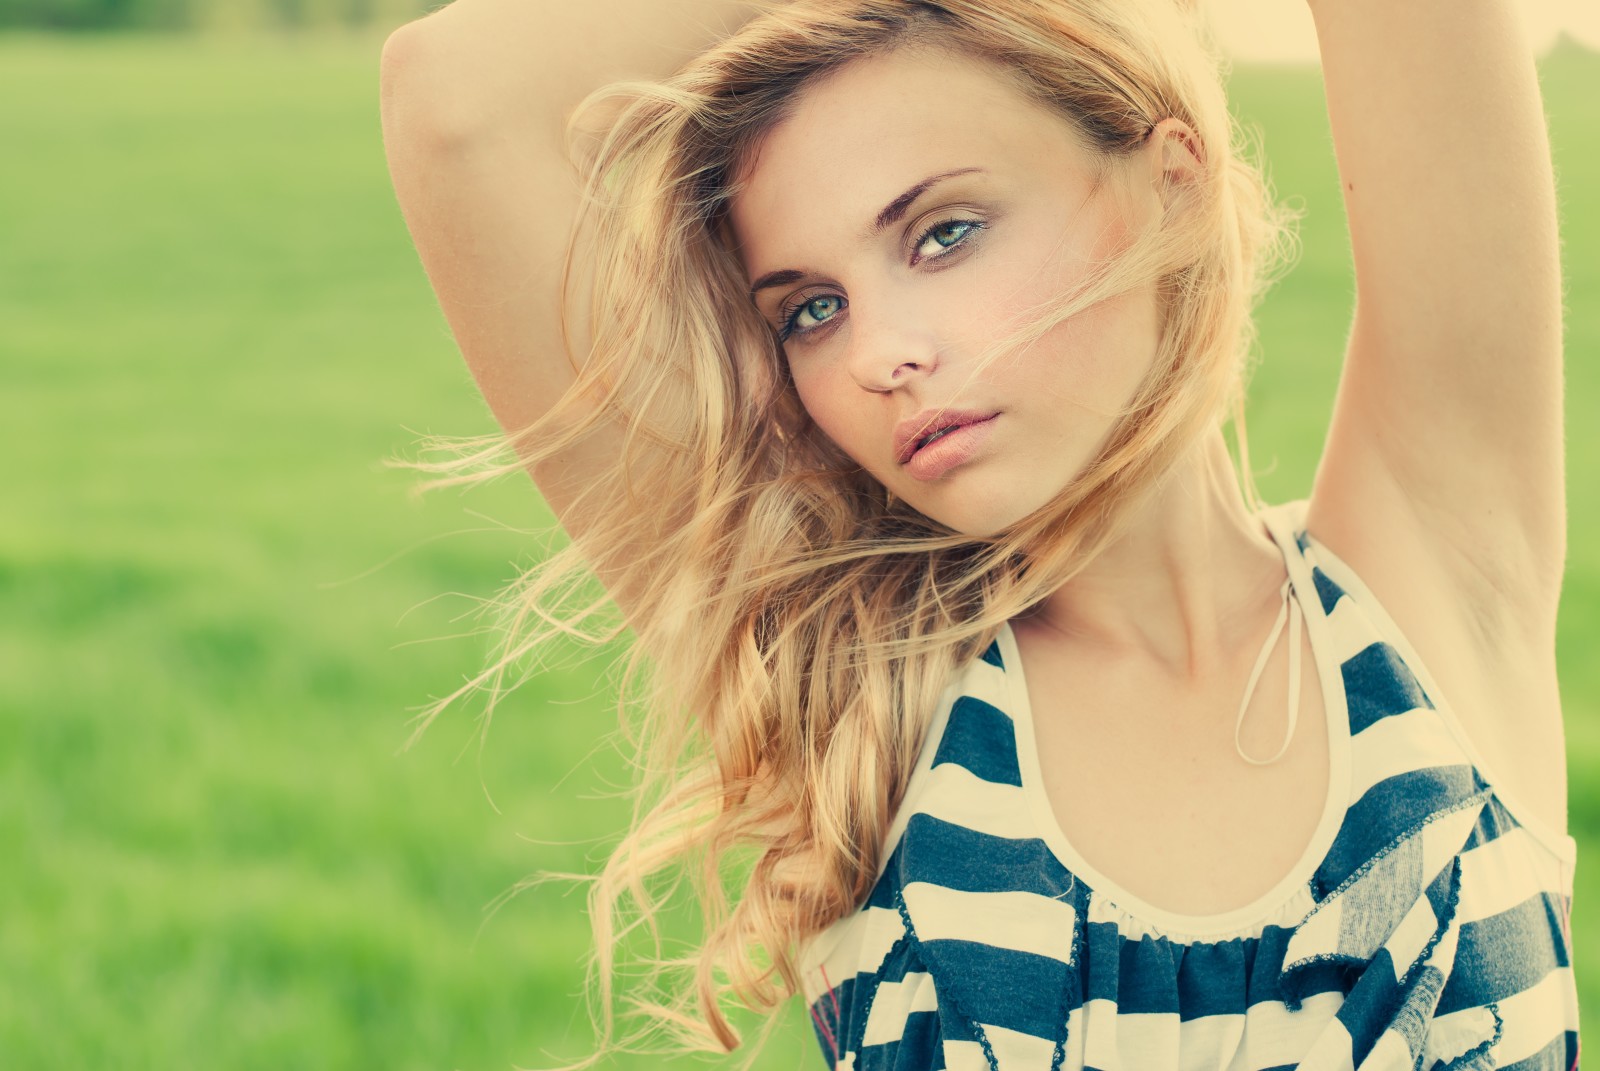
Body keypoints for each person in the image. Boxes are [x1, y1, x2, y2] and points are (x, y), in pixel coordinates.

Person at [378, 0, 1579, 1067]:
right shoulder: (851, 693)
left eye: (943, 233)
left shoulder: (1433, 577)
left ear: (1170, 173)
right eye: (810, 309)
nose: (874, 353)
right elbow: (454, 102)